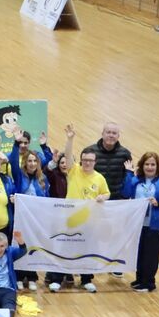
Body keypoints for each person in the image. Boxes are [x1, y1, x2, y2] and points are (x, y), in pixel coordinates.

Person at [58, 124, 110, 293]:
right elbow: (67, 155)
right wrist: (70, 139)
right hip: (71, 218)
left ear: (95, 162)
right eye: (85, 160)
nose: (87, 162)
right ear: (81, 161)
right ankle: (60, 278)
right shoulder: (74, 171)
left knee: (88, 249)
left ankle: (86, 279)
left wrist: (104, 197)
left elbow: (107, 193)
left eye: (90, 160)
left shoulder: (99, 178)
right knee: (66, 248)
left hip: (90, 221)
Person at [121, 153, 159, 293]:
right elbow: (125, 192)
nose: (150, 167)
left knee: (151, 254)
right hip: (138, 224)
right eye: (147, 164)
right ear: (142, 165)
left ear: (158, 167)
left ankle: (149, 282)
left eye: (153, 164)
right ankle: (140, 279)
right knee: (139, 252)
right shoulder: (136, 180)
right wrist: (128, 173)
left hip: (155, 225)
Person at [9, 135, 51, 290]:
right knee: (20, 245)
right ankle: (19, 276)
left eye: (35, 161)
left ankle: (32, 276)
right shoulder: (20, 176)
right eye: (29, 161)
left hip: (36, 219)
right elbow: (13, 161)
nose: (32, 163)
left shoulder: (43, 179)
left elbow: (46, 198)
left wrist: (44, 146)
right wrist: (16, 143)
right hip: (21, 218)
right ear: (25, 163)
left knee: (34, 246)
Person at [84, 122, 131, 200]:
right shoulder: (90, 151)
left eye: (114, 133)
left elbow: (127, 177)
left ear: (118, 136)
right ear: (102, 134)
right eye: (108, 132)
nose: (111, 135)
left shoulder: (125, 154)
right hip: (94, 198)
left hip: (116, 200)